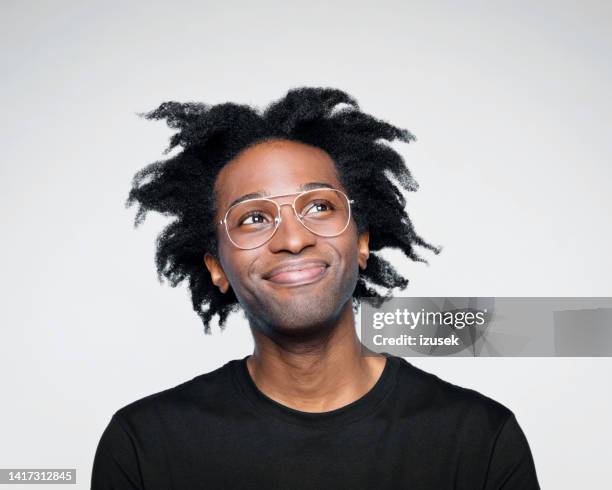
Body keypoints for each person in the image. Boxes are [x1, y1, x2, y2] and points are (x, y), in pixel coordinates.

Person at [91, 87, 540, 489]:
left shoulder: (478, 439)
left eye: (320, 206)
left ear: (362, 241)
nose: (292, 239)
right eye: (253, 218)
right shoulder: (144, 446)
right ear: (217, 267)